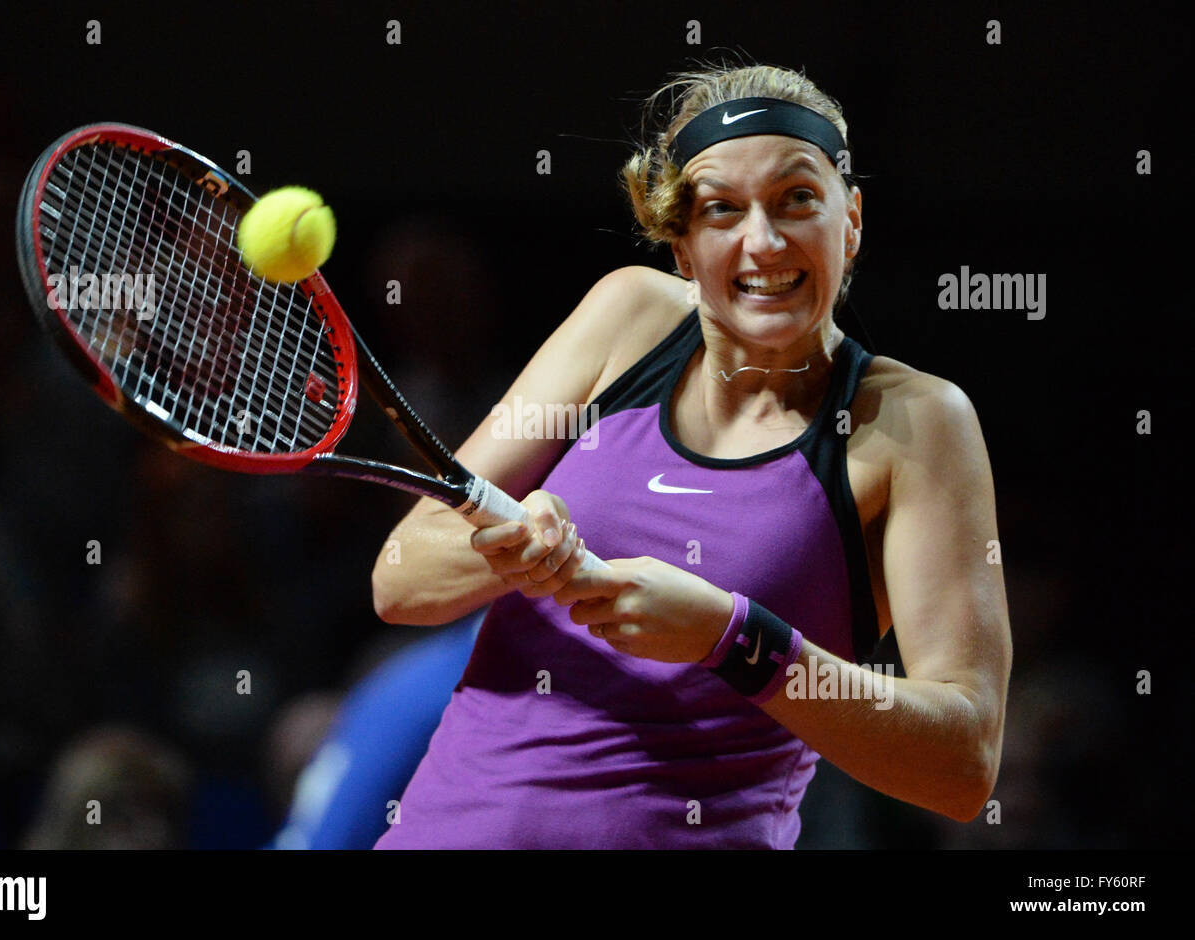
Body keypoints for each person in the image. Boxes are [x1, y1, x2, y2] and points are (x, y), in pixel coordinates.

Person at [371, 62, 1011, 849]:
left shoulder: (917, 423)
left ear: (851, 220)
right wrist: (514, 549)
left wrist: (732, 638)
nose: (763, 241)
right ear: (681, 245)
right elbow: (399, 578)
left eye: (797, 199)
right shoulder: (627, 317)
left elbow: (964, 765)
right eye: (720, 210)